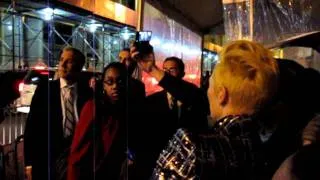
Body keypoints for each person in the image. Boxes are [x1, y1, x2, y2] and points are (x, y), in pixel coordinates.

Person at [131, 40, 279, 179]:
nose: (207, 92)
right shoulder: (269, 149)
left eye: (210, 85)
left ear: (222, 94)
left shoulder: (193, 148)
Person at [24, 47, 92, 180]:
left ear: (79, 66)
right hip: (48, 159)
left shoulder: (88, 93)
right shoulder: (45, 90)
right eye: (61, 59)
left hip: (78, 159)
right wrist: (29, 163)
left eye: (69, 61)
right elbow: (32, 127)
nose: (62, 64)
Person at [134, 56, 208, 178]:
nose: (166, 75)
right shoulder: (152, 101)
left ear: (182, 73)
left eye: (172, 70)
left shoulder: (194, 96)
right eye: (164, 70)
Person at [67, 62, 142, 180]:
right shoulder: (93, 106)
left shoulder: (132, 109)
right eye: (109, 82)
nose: (115, 86)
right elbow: (77, 152)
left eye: (120, 81)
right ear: (103, 85)